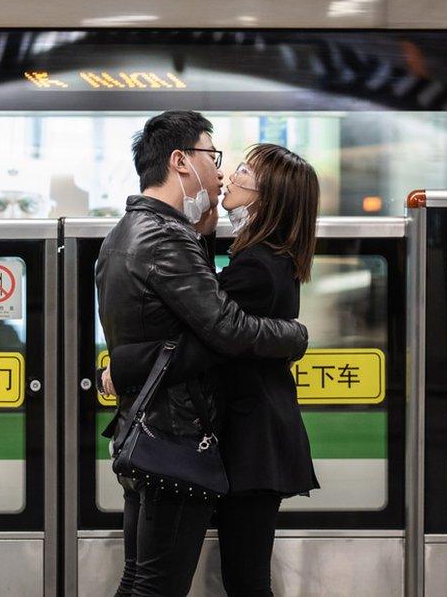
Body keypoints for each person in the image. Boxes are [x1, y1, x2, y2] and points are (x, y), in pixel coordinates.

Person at [95, 112, 309, 597]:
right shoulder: (169, 237)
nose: (222, 172)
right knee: (159, 583)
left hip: (148, 427)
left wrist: (122, 367)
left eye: (237, 170)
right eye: (214, 159)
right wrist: (295, 336)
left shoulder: (125, 232)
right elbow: (223, 328)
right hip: (176, 432)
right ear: (181, 161)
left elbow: (196, 319)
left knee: (147, 578)